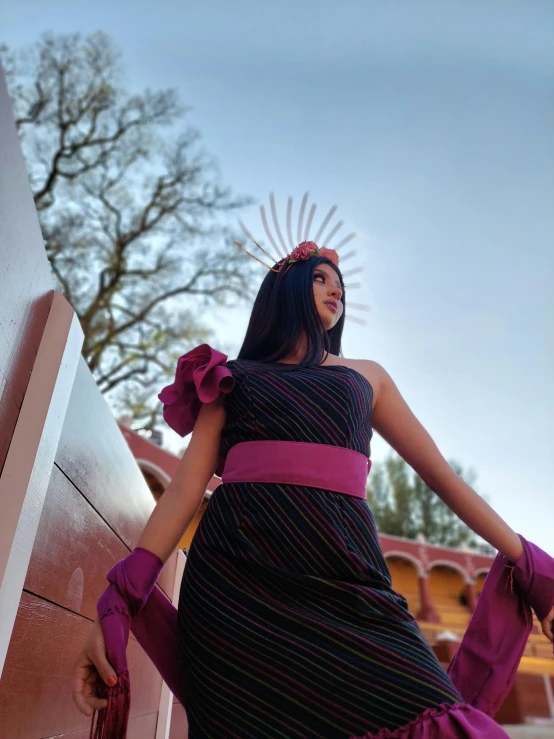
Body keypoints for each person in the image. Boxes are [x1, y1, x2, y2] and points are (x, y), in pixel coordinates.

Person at [72, 224, 554, 738]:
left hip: (347, 581)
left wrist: (534, 568)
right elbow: (187, 490)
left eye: (340, 285)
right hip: (235, 594)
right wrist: (120, 598)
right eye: (322, 279)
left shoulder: (366, 377)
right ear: (286, 290)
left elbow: (441, 477)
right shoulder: (231, 377)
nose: (336, 291)